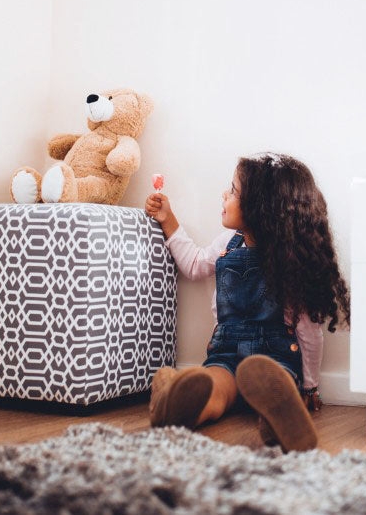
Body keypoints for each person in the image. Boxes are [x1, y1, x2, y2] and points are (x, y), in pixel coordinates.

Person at [144, 152, 351, 452]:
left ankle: (275, 413)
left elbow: (308, 330)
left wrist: (310, 384)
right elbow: (194, 264)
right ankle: (184, 405)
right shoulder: (227, 243)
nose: (224, 194)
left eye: (233, 191)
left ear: (259, 206)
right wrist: (169, 220)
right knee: (213, 385)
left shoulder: (288, 259)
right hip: (230, 355)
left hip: (271, 361)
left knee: (269, 381)